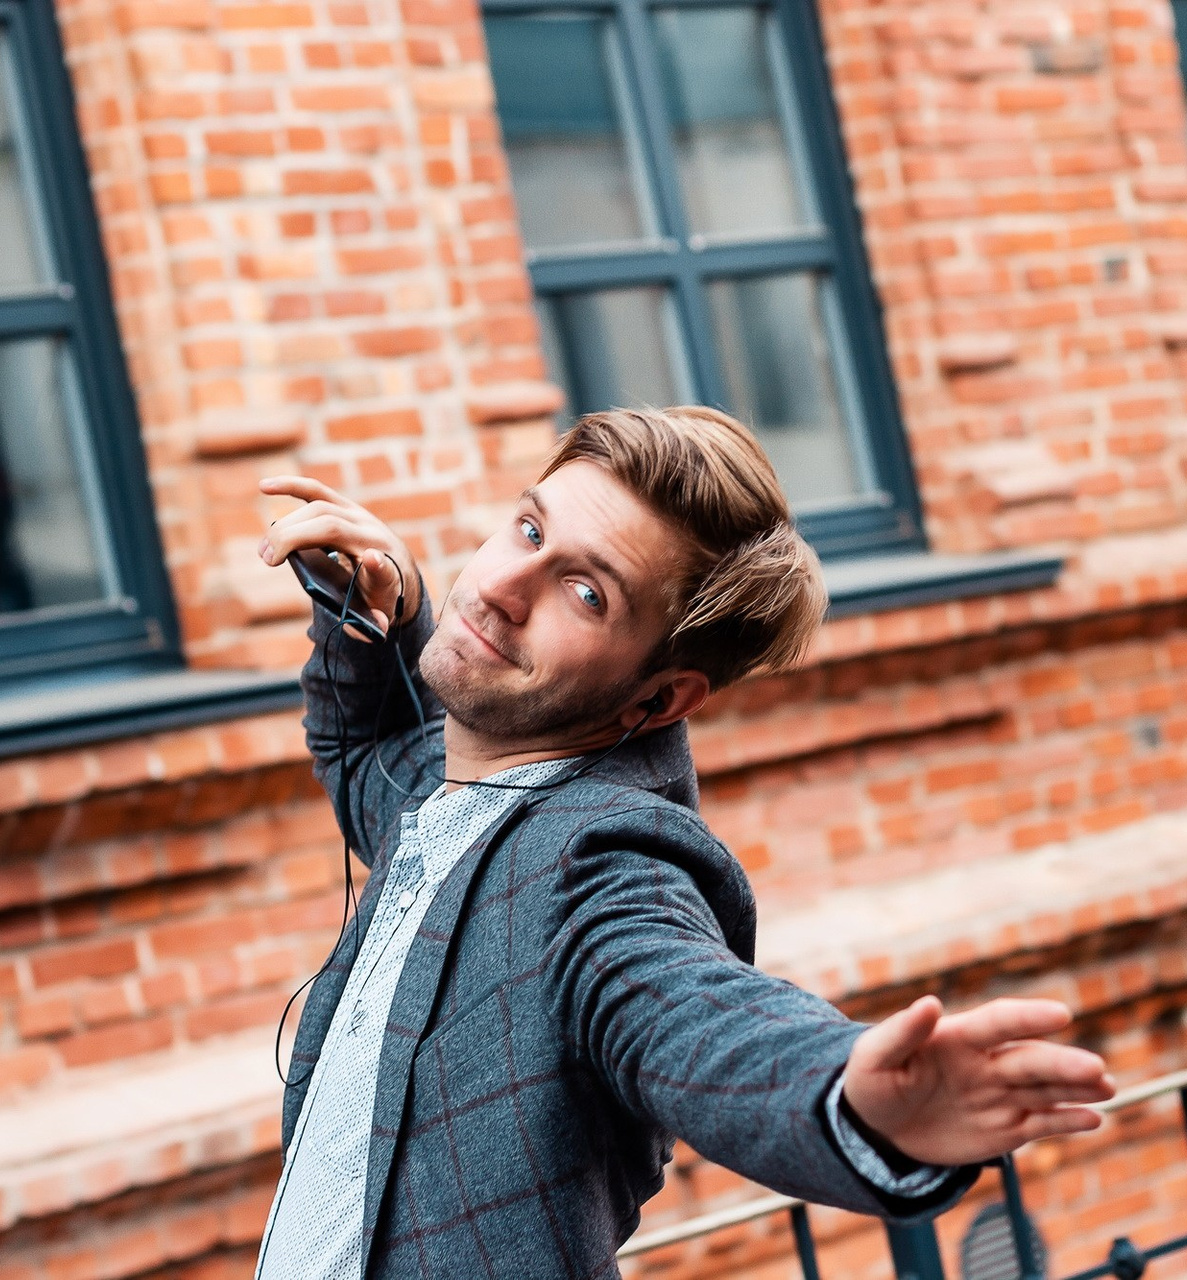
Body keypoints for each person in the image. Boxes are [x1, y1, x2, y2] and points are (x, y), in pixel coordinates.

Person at [252, 405, 1113, 1280]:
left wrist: (847, 1101)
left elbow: (693, 1015)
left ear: (659, 699)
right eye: (530, 530)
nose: (505, 587)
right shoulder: (451, 794)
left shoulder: (599, 867)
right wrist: (380, 618)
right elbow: (367, 759)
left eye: (587, 593)